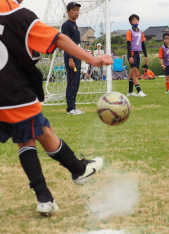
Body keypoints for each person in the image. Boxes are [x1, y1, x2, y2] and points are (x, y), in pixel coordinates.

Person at [0, 0, 113, 216]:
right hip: (15, 93)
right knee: (37, 134)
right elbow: (58, 39)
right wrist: (93, 59)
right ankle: (76, 174)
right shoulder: (19, 15)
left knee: (32, 135)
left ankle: (48, 194)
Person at [61, 2, 84, 115]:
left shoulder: (76, 26)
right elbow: (65, 44)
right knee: (71, 83)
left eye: (77, 10)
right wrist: (70, 59)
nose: (76, 12)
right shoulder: (66, 25)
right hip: (71, 58)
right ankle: (70, 109)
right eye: (73, 10)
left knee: (76, 83)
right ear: (68, 12)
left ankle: (74, 106)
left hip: (78, 57)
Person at [126, 14, 147, 97]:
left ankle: (130, 92)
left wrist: (146, 55)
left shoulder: (141, 32)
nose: (136, 21)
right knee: (135, 73)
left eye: (137, 20)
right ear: (130, 22)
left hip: (138, 53)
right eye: (134, 20)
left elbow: (143, 44)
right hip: (132, 53)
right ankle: (139, 91)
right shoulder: (129, 32)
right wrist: (130, 56)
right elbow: (128, 44)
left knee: (132, 73)